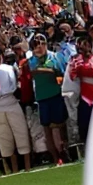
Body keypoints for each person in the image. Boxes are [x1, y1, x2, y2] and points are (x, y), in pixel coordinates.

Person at [28, 34, 69, 164]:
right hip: (42, 98)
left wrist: (49, 72)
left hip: (56, 95)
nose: (39, 46)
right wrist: (46, 70)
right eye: (36, 44)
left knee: (61, 126)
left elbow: (60, 76)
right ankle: (55, 158)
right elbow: (32, 72)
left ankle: (65, 152)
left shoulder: (55, 57)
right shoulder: (31, 60)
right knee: (47, 129)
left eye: (42, 43)